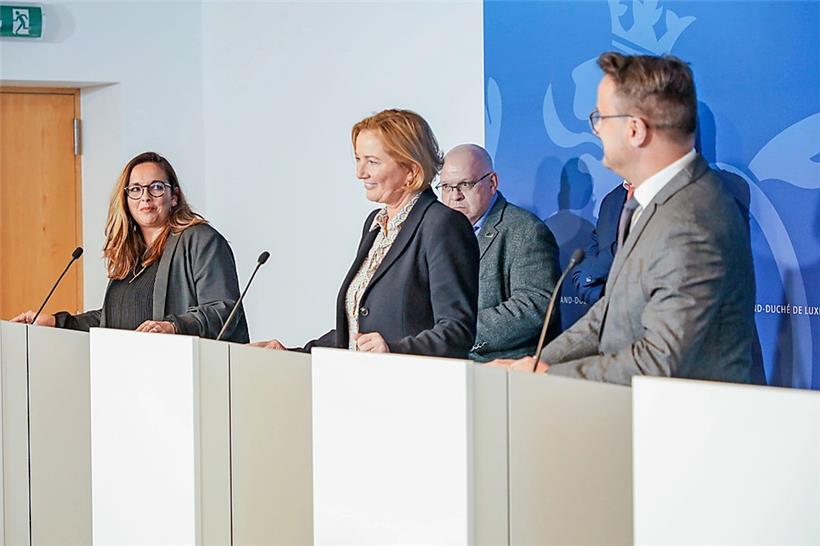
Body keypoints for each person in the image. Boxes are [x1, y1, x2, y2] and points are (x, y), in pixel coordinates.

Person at [491, 52, 755, 384]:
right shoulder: (656, 200)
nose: (597, 129)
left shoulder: (691, 222)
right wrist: (534, 365)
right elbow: (608, 312)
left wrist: (551, 374)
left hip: (688, 424)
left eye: (601, 116)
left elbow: (660, 360)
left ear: (635, 130)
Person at [255, 109, 478, 357]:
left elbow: (457, 331)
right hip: (360, 384)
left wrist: (394, 350)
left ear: (411, 171)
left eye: (372, 161)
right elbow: (355, 330)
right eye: (358, 159)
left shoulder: (442, 224)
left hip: (410, 387)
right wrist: (292, 354)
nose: (360, 173)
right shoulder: (375, 224)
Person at [12, 151, 249, 342]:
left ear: (174, 196)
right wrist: (56, 322)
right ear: (125, 199)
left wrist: (173, 327)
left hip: (188, 376)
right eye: (135, 189)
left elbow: (224, 311)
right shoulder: (131, 253)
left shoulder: (201, 240)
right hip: (129, 378)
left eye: (156, 187)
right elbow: (111, 321)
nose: (145, 197)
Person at [439, 144, 560, 361]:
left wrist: (457, 334)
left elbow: (535, 306)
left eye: (465, 184)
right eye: (446, 187)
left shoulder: (525, 231)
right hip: (446, 362)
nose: (454, 196)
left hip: (501, 366)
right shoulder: (440, 232)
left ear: (492, 182)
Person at [570, 181, 630, 305]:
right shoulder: (612, 199)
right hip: (609, 314)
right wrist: (605, 298)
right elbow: (582, 277)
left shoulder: (670, 196)